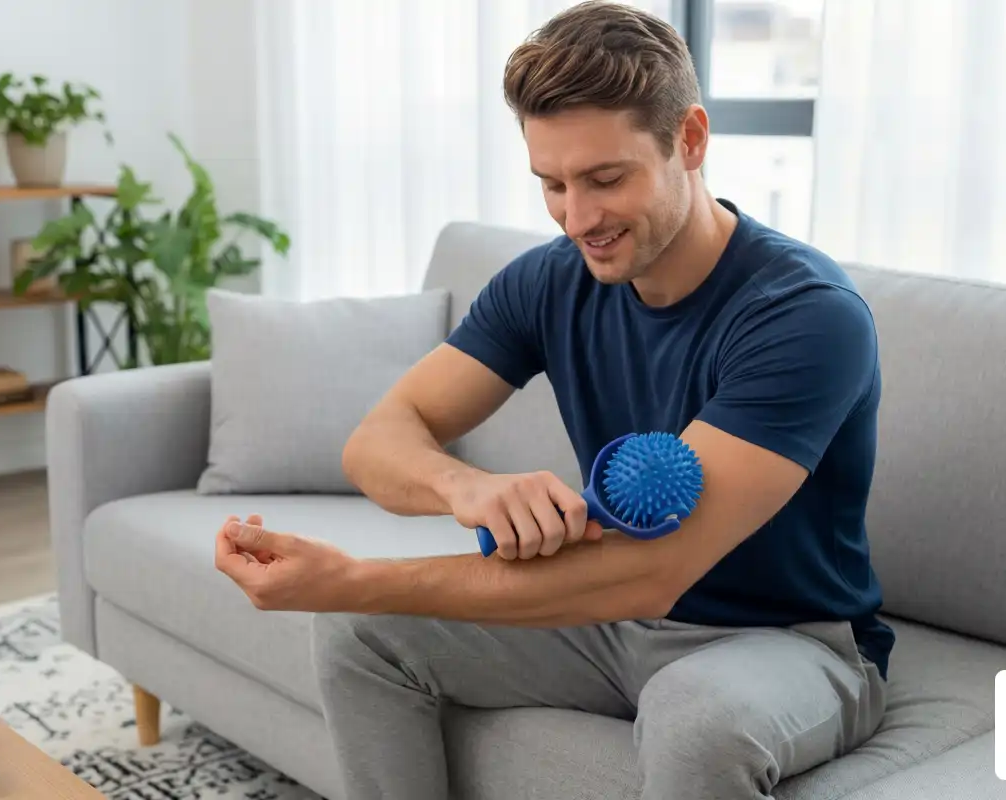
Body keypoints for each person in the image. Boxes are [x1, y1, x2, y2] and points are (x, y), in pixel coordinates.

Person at [213, 1, 893, 797]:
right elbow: (379, 439)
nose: (578, 218)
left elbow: (649, 573)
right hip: (609, 627)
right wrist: (466, 487)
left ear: (690, 139)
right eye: (553, 184)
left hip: (786, 640)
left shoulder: (805, 316)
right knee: (361, 635)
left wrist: (353, 576)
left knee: (698, 719)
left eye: (606, 179)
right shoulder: (549, 280)